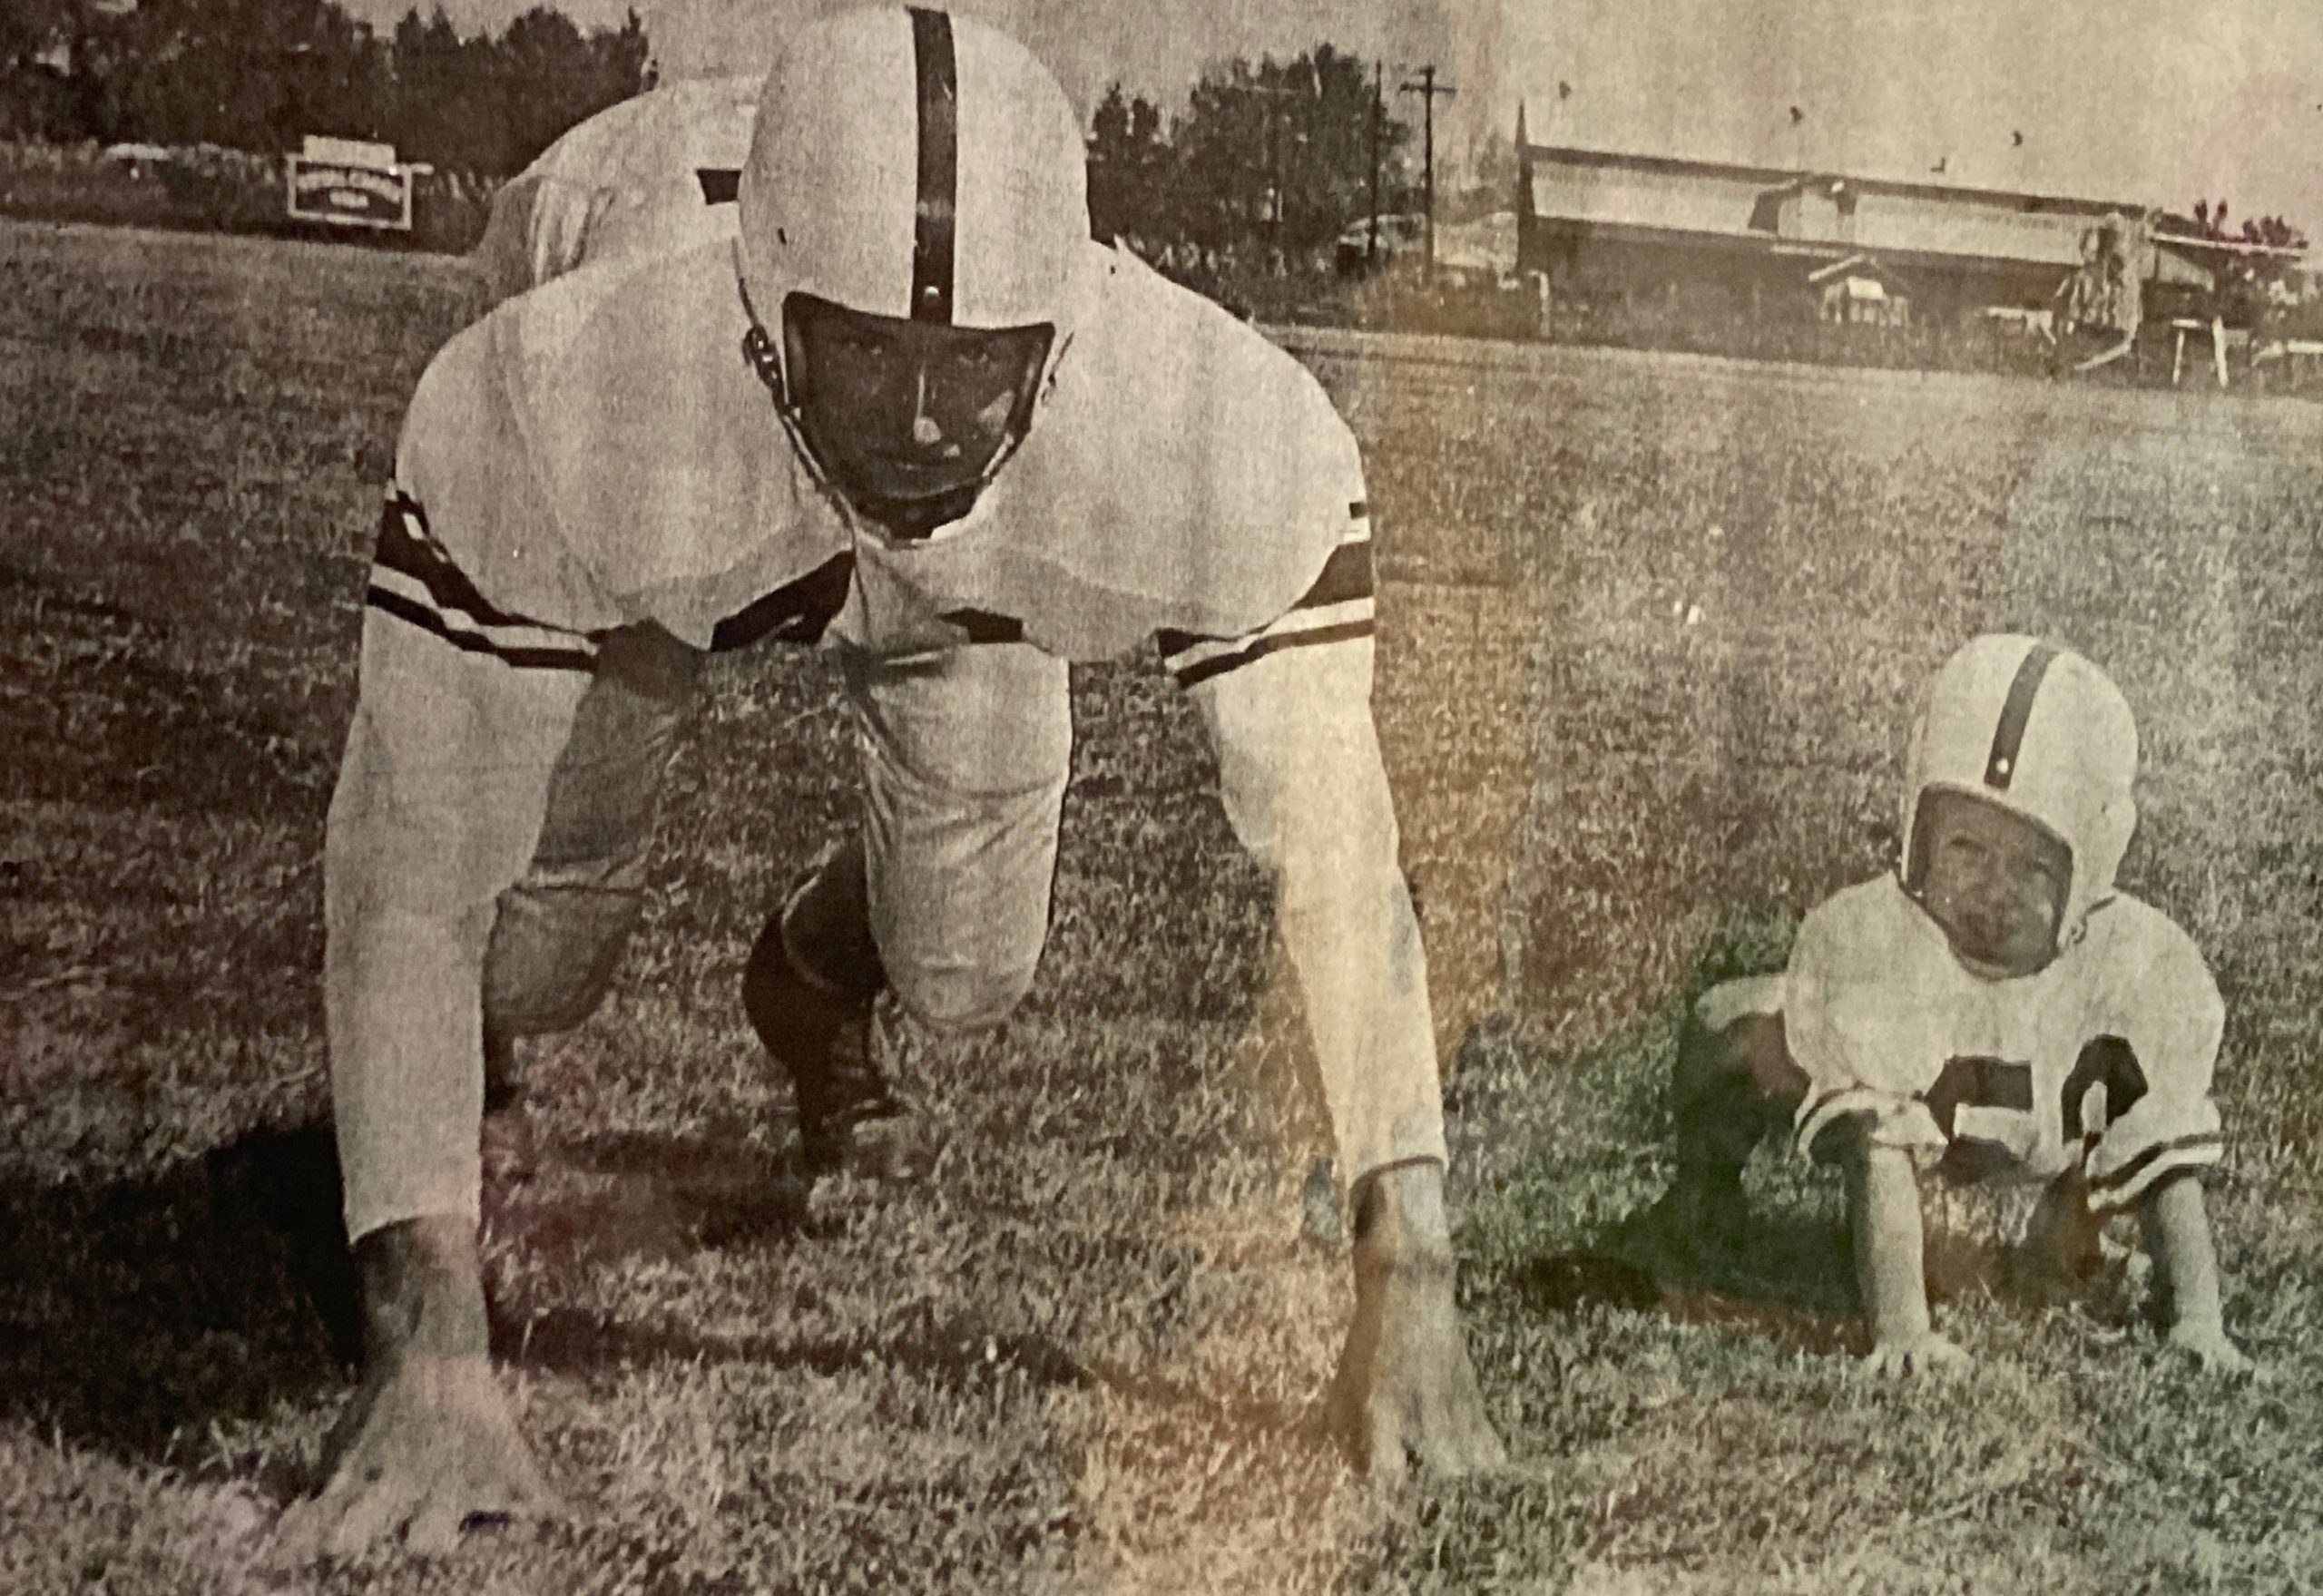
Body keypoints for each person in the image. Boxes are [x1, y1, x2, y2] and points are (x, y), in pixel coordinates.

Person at [281, 5, 1503, 1560]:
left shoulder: (1218, 437)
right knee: (533, 955)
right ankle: (458, 1105)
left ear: (1064, 340)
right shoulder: (573, 388)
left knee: (972, 971)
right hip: (657, 422)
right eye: (861, 356)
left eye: (975, 369)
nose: (923, 425)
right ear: (757, 307)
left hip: (944, 563)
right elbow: (406, 861)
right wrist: (430, 1338)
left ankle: (806, 975)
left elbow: (1343, 863)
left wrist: (1413, 1278)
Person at [1659, 635, 2253, 1377]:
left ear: (2089, 868)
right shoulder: (1882, 945)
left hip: (2031, 1164)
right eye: (1967, 847)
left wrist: (2200, 1320)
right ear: (1919, 829)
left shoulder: (2127, 971)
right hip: (1919, 1129)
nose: (1993, 889)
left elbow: (2169, 1170)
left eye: (2034, 864)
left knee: (2044, 1250)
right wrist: (1903, 1329)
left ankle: (2056, 1248)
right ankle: (1701, 1194)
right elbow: (1879, 1146)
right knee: (1728, 1019)